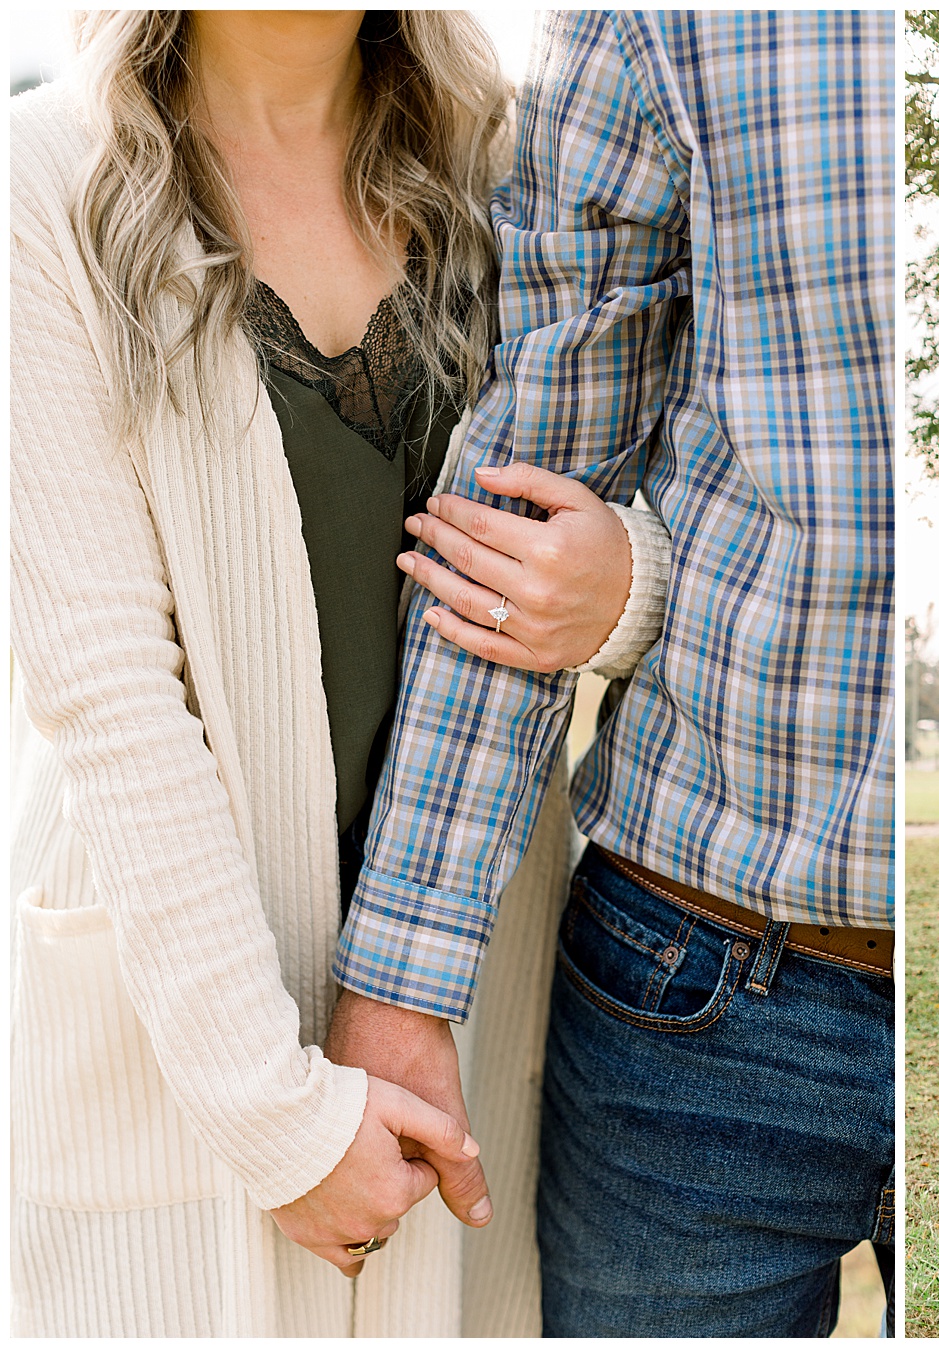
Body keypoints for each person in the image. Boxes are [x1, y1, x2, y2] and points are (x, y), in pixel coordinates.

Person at [10, 11, 666, 1335]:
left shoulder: (528, 168)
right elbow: (102, 680)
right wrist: (272, 1114)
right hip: (176, 1029)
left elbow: (691, 504)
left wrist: (623, 586)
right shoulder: (40, 185)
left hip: (465, 1001)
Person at [321, 12, 896, 1337]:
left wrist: (630, 585)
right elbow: (524, 498)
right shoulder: (665, 24)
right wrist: (400, 987)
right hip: (698, 990)